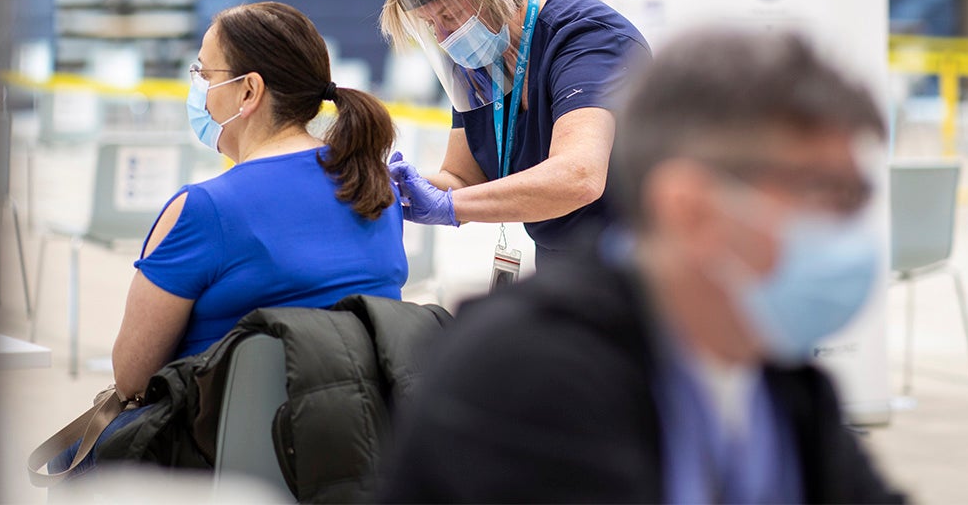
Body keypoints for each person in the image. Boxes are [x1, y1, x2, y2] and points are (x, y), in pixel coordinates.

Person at [377, 27, 907, 503]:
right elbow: (577, 174)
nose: (849, 227)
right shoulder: (526, 376)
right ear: (690, 207)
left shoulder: (782, 383)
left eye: (857, 196)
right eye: (826, 194)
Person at [52, 1, 408, 476]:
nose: (196, 86)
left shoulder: (205, 209)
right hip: (349, 458)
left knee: (72, 460)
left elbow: (132, 377)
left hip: (219, 462)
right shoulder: (375, 189)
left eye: (202, 71)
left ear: (248, 91)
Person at [380, 0, 650, 265]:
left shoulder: (589, 40)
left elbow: (579, 177)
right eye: (431, 24)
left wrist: (449, 207)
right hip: (563, 265)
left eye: (448, 16)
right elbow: (463, 178)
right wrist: (388, 187)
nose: (444, 39)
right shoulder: (481, 56)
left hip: (636, 265)